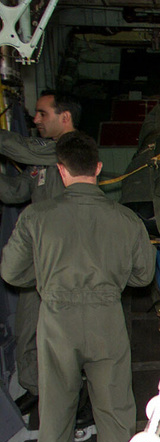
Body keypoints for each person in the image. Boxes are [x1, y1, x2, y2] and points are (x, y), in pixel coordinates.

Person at [0, 131, 156, 442]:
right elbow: (142, 277)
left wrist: (51, 280)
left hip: (57, 323)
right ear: (99, 169)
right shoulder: (124, 219)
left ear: (61, 170)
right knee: (116, 414)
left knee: (55, 413)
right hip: (106, 321)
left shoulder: (37, 217)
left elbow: (11, 272)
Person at [0, 90, 81, 416]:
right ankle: (37, 389)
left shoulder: (73, 149)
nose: (35, 120)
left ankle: (77, 400)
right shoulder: (42, 160)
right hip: (38, 257)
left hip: (66, 259)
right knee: (27, 328)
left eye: (42, 113)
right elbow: (15, 191)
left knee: (67, 336)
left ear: (65, 117)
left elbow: (22, 147)